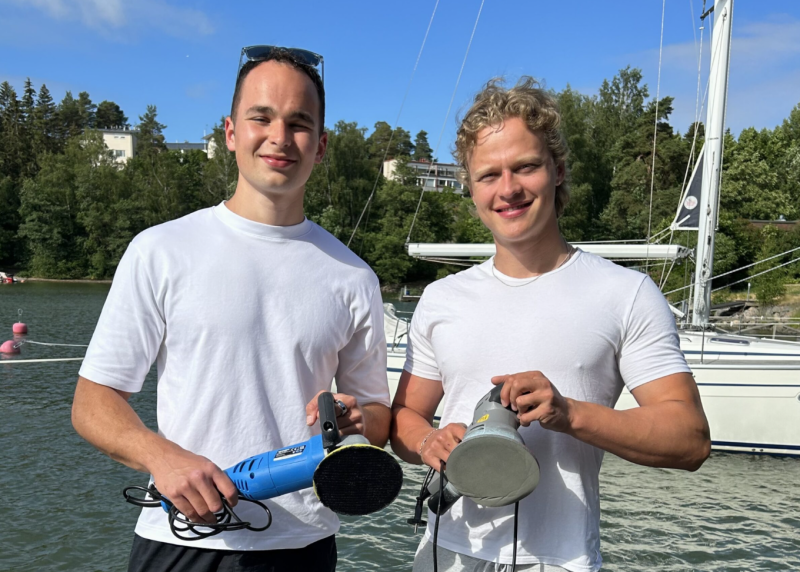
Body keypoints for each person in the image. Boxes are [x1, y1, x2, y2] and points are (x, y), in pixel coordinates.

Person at [71, 46, 391, 572]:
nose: (280, 137)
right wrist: (161, 457)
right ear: (229, 132)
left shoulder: (354, 277)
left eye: (300, 123)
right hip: (181, 541)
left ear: (323, 145)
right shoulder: (161, 250)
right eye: (261, 117)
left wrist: (359, 418)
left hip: (302, 548)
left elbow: (377, 420)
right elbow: (92, 402)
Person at [390, 77, 711, 572]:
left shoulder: (625, 293)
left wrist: (569, 413)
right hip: (443, 555)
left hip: (561, 559)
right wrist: (426, 441)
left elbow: (689, 438)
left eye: (526, 167)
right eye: (488, 175)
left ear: (557, 170)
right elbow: (404, 419)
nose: (509, 189)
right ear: (469, 187)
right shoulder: (440, 299)